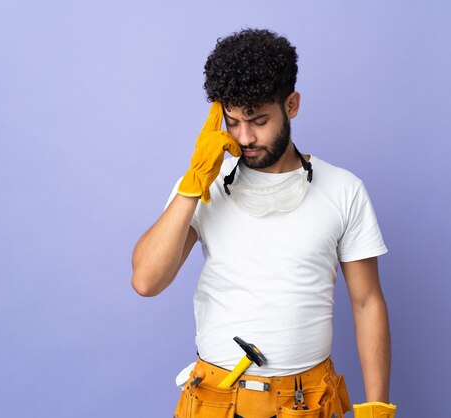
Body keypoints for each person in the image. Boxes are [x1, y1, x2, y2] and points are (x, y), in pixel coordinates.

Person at [131, 28, 397, 418]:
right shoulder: (205, 182)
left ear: (291, 105)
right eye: (233, 121)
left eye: (258, 120)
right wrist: (191, 185)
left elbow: (367, 301)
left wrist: (376, 406)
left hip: (306, 402)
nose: (244, 137)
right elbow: (146, 281)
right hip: (215, 400)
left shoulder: (344, 189)